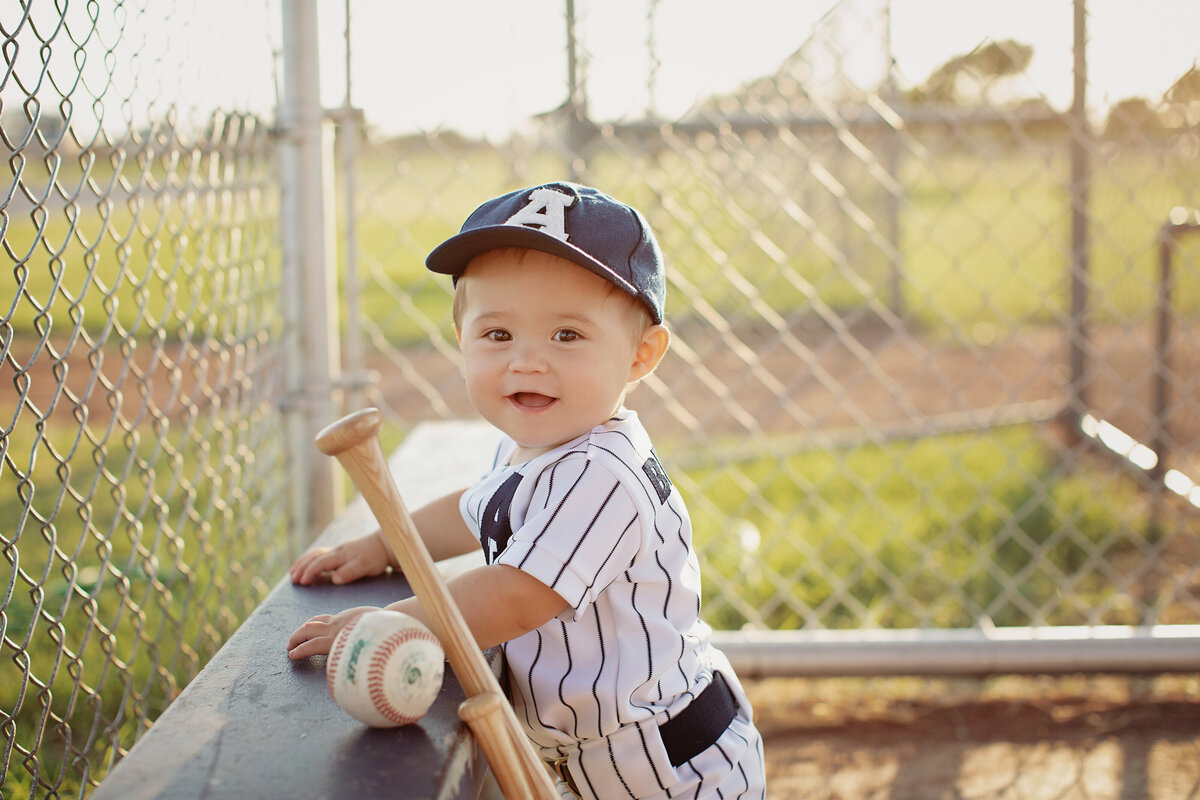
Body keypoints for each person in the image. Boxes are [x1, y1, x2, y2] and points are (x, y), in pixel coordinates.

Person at [286, 181, 766, 800]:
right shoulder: (539, 443)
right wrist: (386, 545)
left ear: (641, 355)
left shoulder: (602, 474)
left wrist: (389, 623)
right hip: (603, 761)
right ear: (463, 340)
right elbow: (480, 509)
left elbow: (515, 597)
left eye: (567, 335)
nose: (527, 361)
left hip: (675, 771)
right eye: (498, 335)